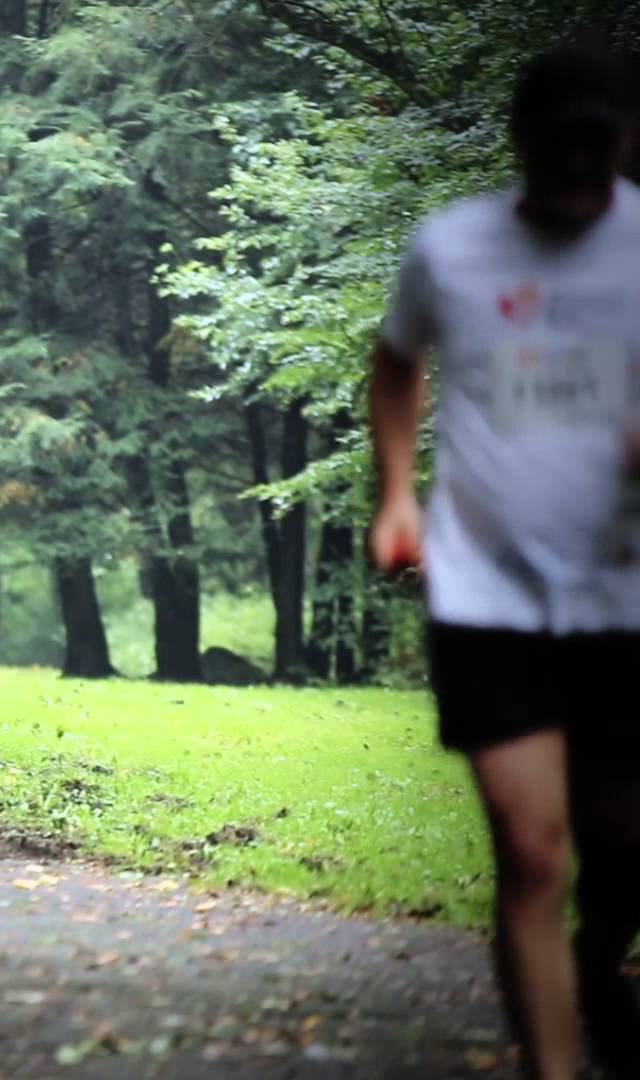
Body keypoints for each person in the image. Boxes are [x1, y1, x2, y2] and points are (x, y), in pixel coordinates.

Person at [367, 46, 638, 1079]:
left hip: (624, 592)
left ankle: (596, 961)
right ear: (518, 139)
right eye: (555, 147)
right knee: (532, 852)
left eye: (596, 148)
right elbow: (396, 360)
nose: (576, 169)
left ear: (626, 141)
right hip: (486, 586)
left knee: (622, 851)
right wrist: (397, 494)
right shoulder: (453, 248)